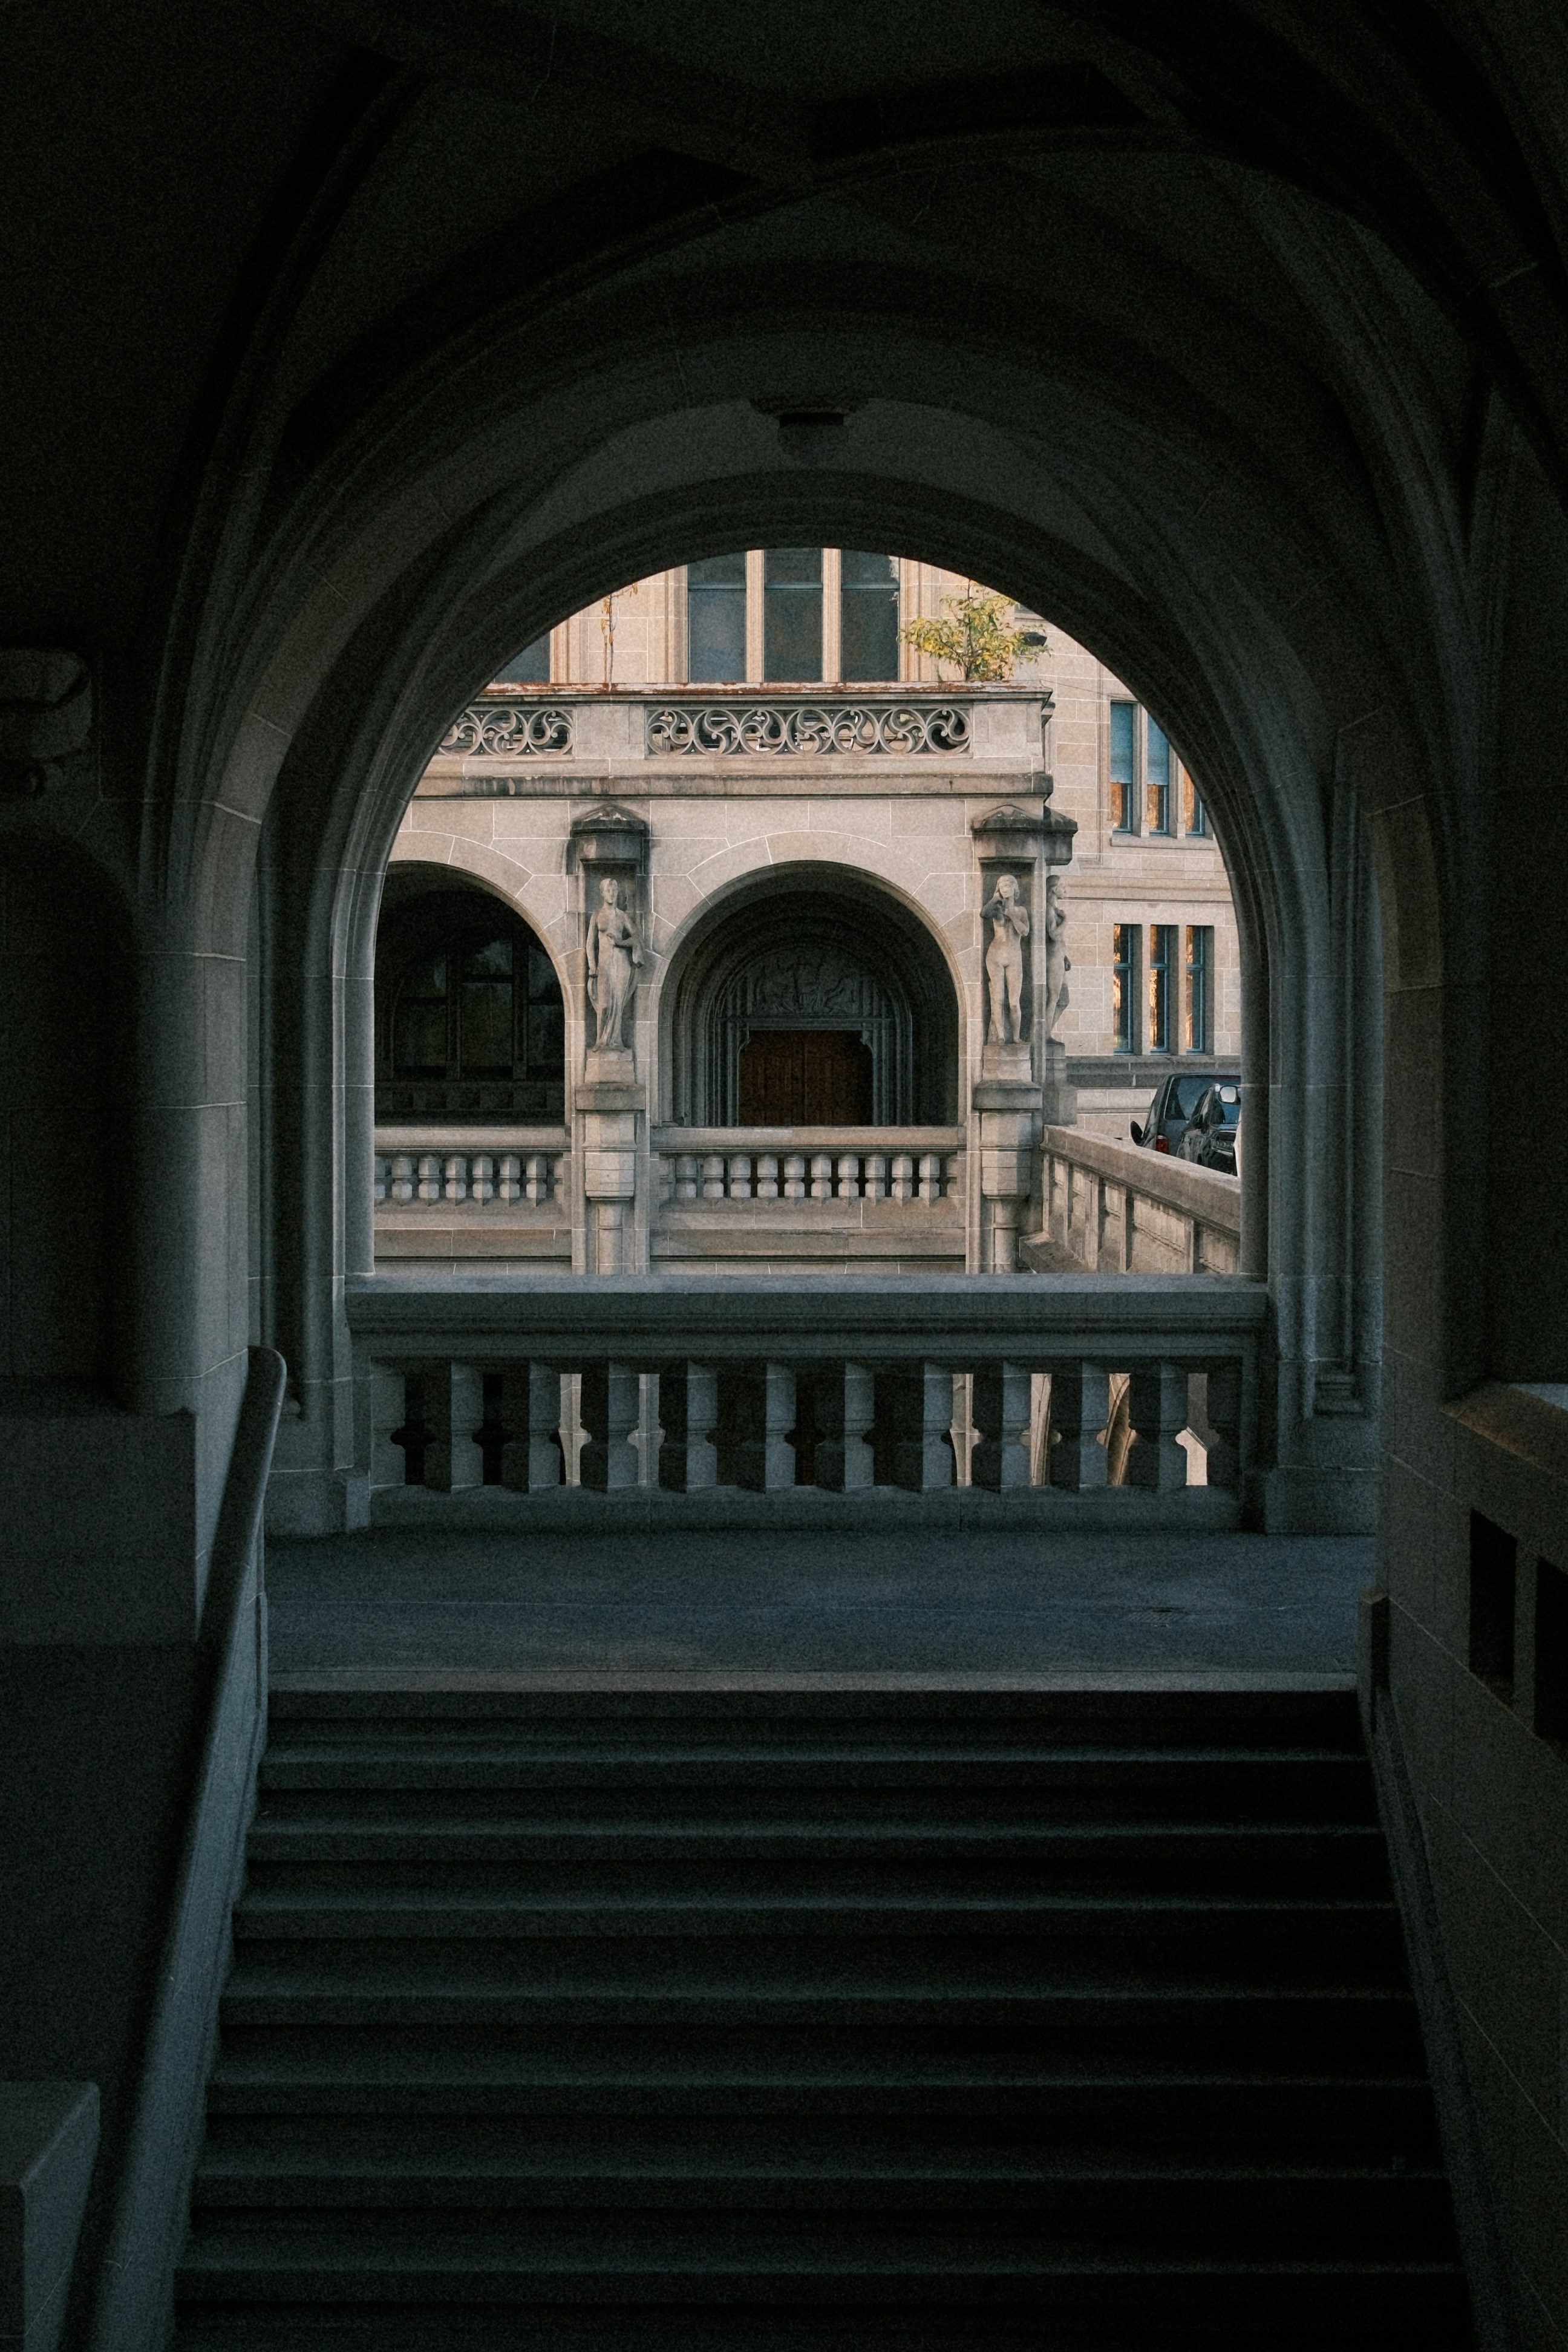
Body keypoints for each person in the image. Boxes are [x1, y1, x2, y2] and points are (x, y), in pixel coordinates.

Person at [586, 875, 643, 1049]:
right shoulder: (597, 915)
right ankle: (600, 1041)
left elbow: (637, 937)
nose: (612, 893)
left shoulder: (622, 916)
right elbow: (590, 943)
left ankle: (616, 1041)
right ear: (602, 893)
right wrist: (592, 965)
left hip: (621, 961)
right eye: (608, 890)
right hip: (603, 964)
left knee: (618, 1003)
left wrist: (620, 942)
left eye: (614, 890)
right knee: (604, 1005)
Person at [982, 872, 1030, 1045]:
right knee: (998, 999)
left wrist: (1012, 915)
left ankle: (1016, 1037)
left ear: (1015, 888)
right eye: (1002, 886)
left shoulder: (1021, 911)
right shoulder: (997, 908)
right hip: (996, 954)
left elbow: (1025, 931)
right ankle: (1001, 1036)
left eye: (1008, 886)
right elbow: (984, 913)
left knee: (1014, 1003)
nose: (1005, 889)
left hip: (1014, 956)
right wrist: (995, 899)